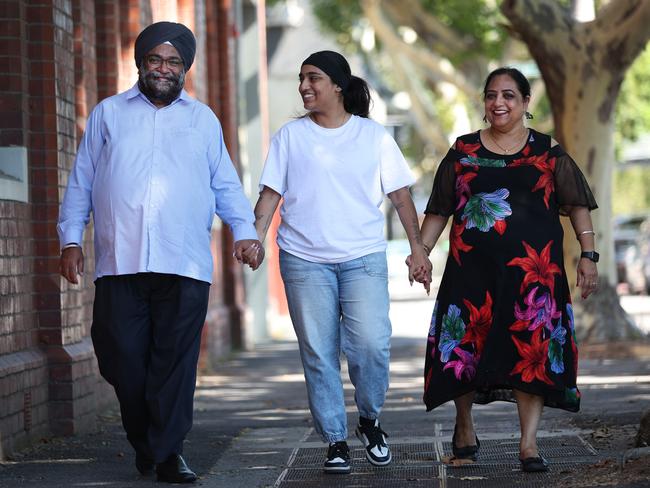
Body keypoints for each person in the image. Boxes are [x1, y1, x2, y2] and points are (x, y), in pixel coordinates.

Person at [57, 21, 263, 484]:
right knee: (121, 359)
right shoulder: (108, 115)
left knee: (174, 364)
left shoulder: (202, 119)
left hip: (184, 261)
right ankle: (146, 439)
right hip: (120, 260)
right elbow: (81, 183)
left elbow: (224, 184)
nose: (164, 69)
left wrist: (244, 232)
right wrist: (71, 239)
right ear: (141, 63)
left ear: (185, 68)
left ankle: (169, 453)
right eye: (155, 60)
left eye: (173, 62)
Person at [252, 50, 431, 474]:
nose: (303, 86)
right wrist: (253, 238)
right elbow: (270, 196)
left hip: (363, 258)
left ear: (337, 85)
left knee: (371, 345)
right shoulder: (290, 137)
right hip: (303, 260)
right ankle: (335, 438)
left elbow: (401, 197)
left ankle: (369, 419)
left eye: (313, 77)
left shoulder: (372, 137)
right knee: (319, 352)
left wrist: (418, 249)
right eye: (301, 78)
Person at [412, 67, 598, 473]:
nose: (499, 103)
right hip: (470, 272)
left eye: (509, 95)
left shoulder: (548, 152)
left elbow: (578, 204)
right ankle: (464, 428)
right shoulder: (462, 152)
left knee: (530, 355)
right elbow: (439, 209)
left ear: (526, 103)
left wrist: (589, 254)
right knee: (464, 350)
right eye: (492, 95)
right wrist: (421, 252)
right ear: (484, 102)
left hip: (535, 277)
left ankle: (529, 444)